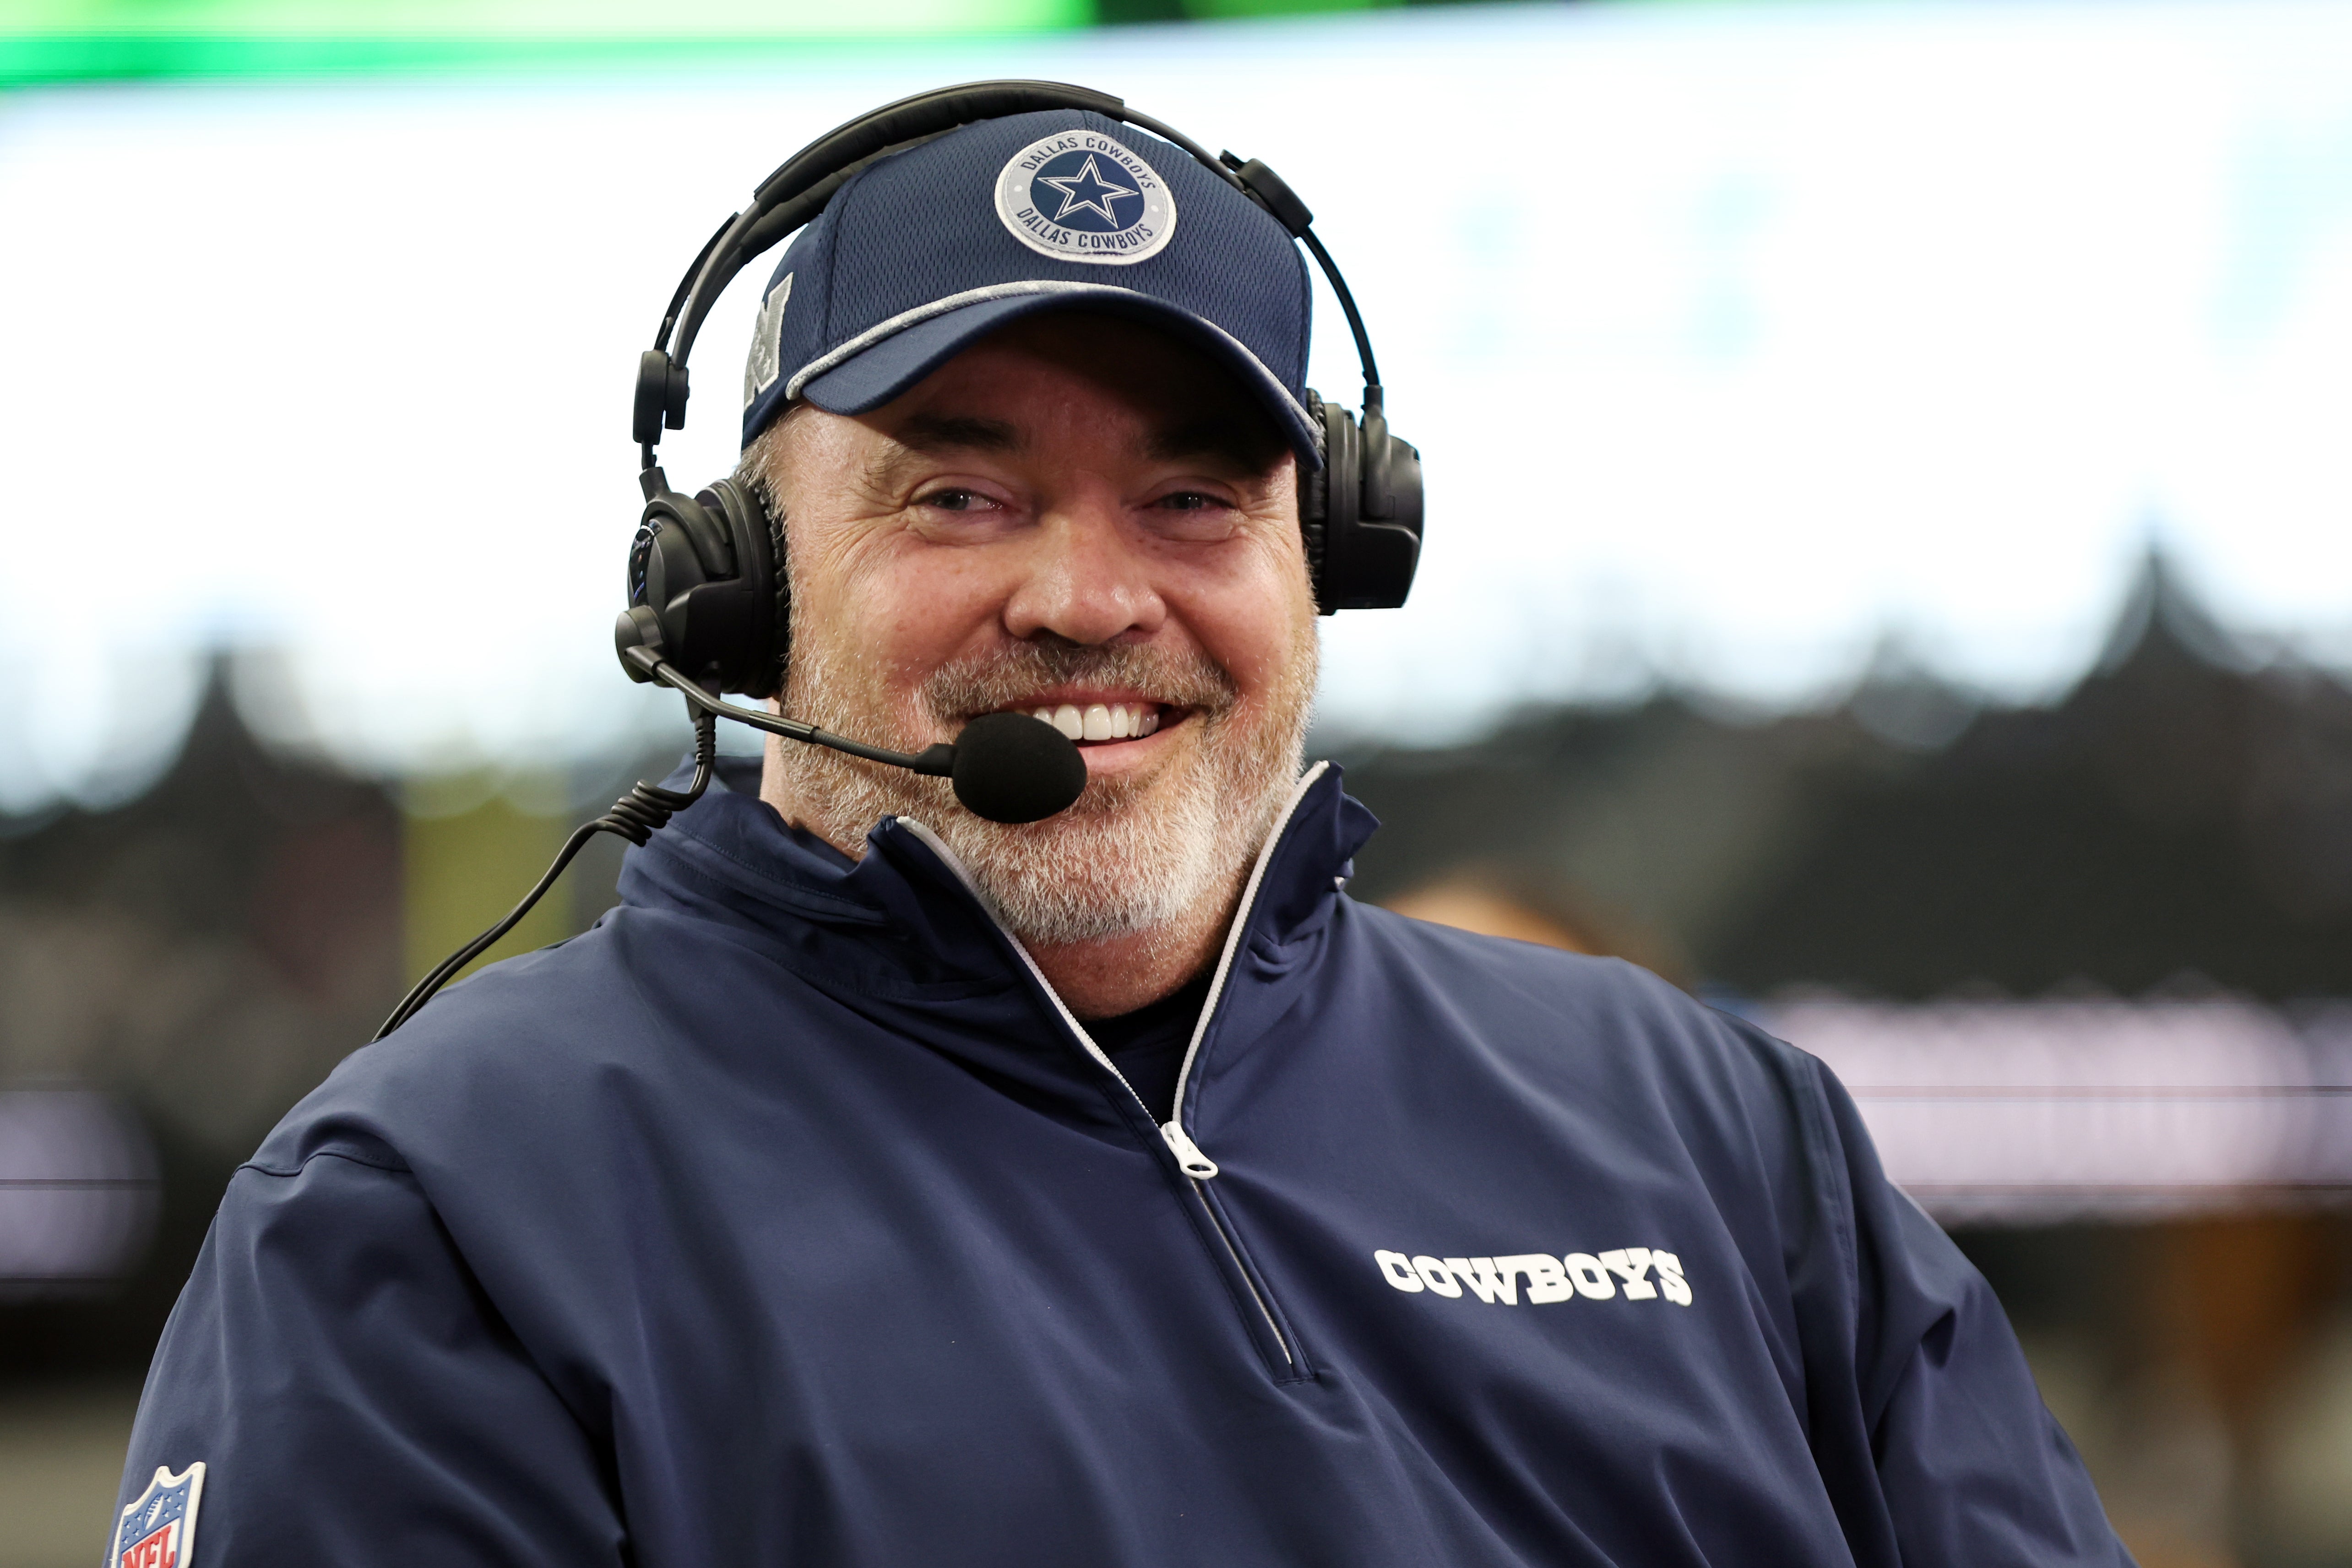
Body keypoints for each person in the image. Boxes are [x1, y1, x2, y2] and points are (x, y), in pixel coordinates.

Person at [112, 93, 2132, 1567]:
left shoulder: (1716, 1134)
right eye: (960, 496)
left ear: (1326, 564)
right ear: (740, 588)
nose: (1089, 599)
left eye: (1193, 500)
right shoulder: (434, 1216)